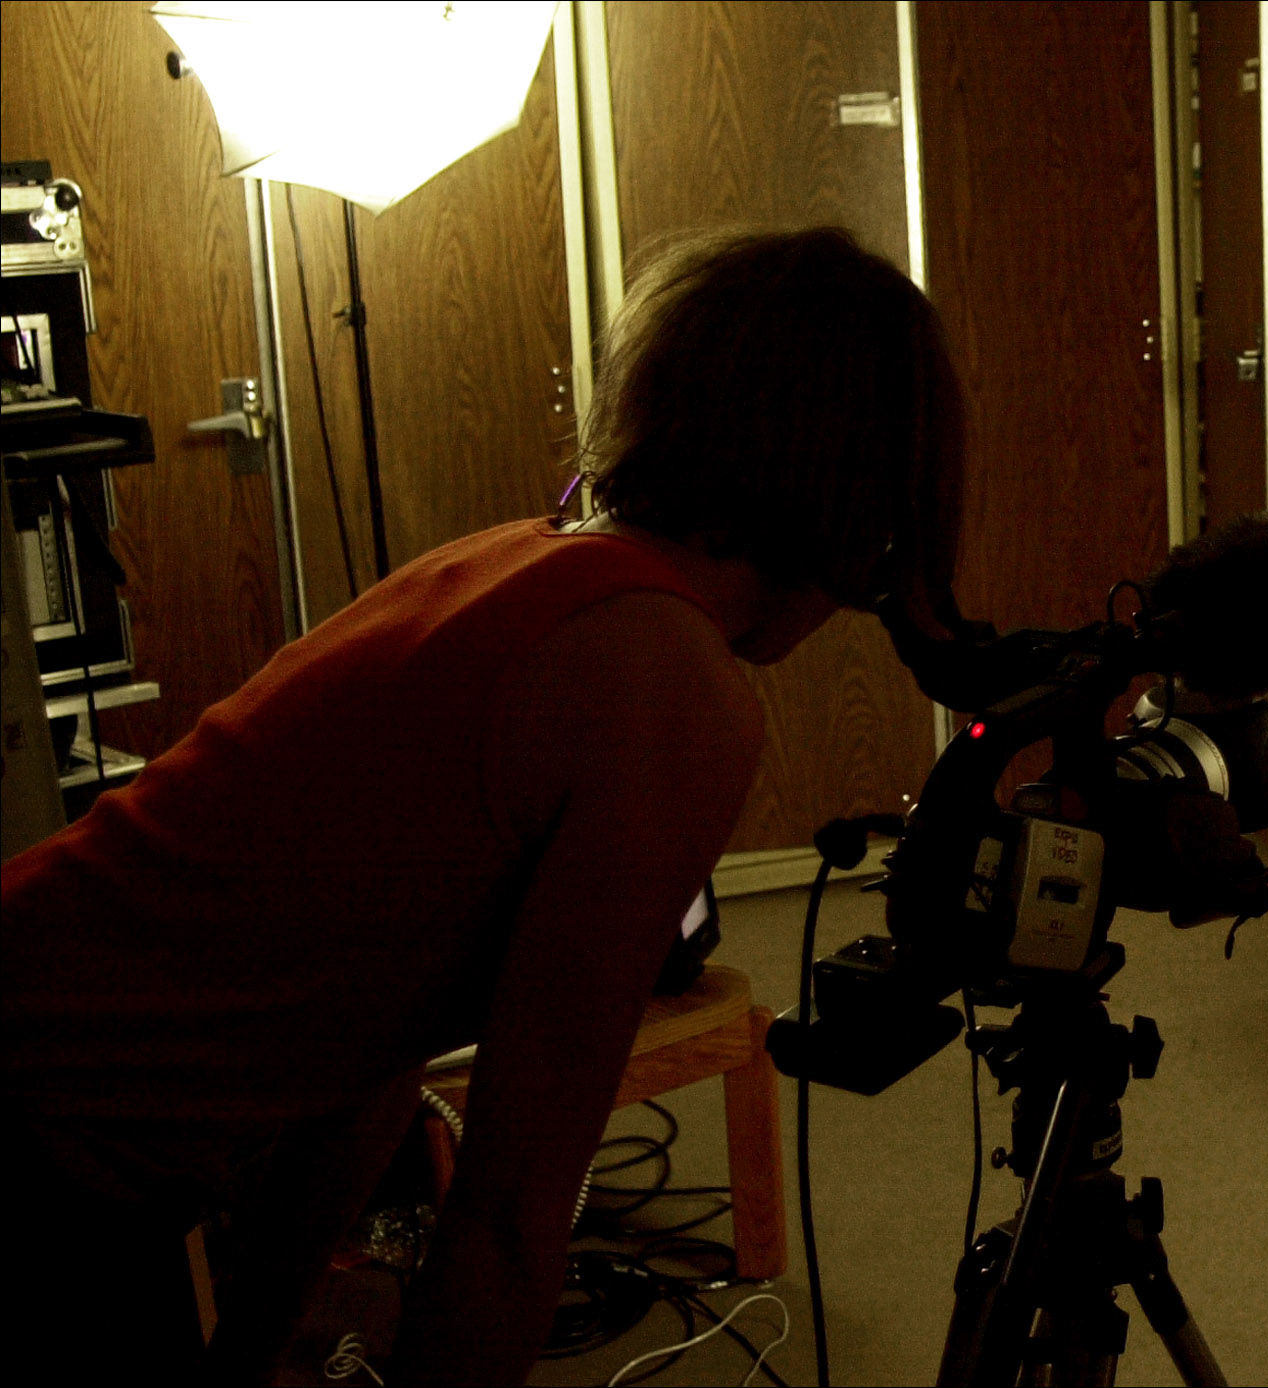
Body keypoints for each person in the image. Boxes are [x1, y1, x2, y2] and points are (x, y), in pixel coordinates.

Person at [1, 226, 964, 1385]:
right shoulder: (669, 681)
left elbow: (367, 1046)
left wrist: (249, 1350)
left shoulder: (513, 564)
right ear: (847, 492)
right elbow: (511, 1210)